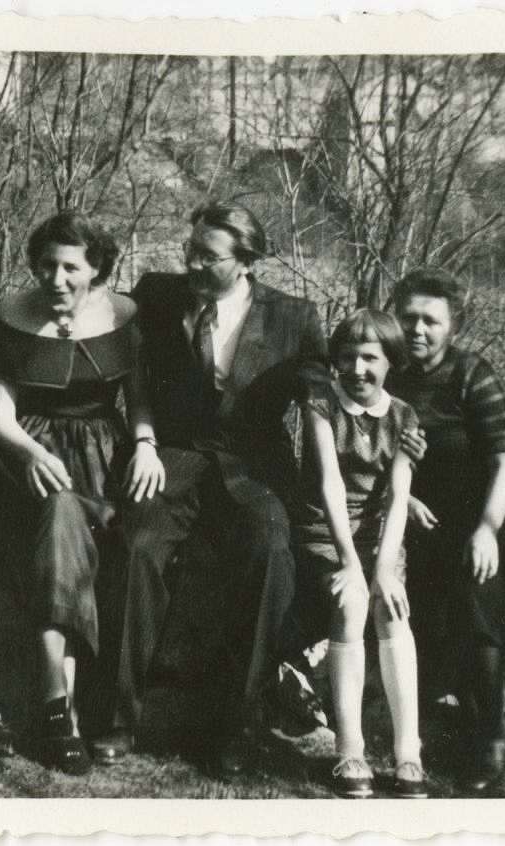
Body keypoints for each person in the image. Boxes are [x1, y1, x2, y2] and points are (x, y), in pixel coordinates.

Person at [103, 200, 326, 776]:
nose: (194, 264)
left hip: (251, 461)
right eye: (190, 251)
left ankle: (237, 725)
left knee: (272, 551)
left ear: (246, 262)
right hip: (171, 450)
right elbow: (134, 377)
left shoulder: (293, 318)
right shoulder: (156, 295)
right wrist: (145, 444)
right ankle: (119, 719)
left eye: (209, 256)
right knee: (138, 543)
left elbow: (327, 400)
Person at [0, 210, 164, 775]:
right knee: (57, 513)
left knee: (83, 531)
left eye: (70, 266)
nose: (56, 278)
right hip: (26, 457)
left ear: (95, 269)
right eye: (46, 265)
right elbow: (0, 416)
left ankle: (61, 708)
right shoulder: (11, 320)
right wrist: (31, 452)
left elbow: (138, 398)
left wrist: (145, 444)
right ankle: (60, 709)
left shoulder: (122, 319)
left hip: (103, 456)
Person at [387, 267, 505, 793]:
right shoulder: (388, 374)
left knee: (477, 589)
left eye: (430, 320)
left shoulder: (471, 373)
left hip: (494, 511)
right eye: (408, 317)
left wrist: (487, 531)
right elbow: (375, 450)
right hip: (429, 513)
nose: (417, 330)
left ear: (452, 326)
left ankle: (491, 737)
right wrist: (405, 496)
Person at [290, 309, 426, 799]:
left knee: (392, 607)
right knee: (351, 603)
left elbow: (396, 495)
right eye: (347, 357)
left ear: (391, 362)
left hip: (381, 534)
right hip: (327, 531)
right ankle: (349, 749)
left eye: (370, 357)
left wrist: (386, 568)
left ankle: (409, 751)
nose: (357, 368)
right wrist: (351, 563)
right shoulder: (321, 404)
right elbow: (328, 483)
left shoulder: (405, 416)